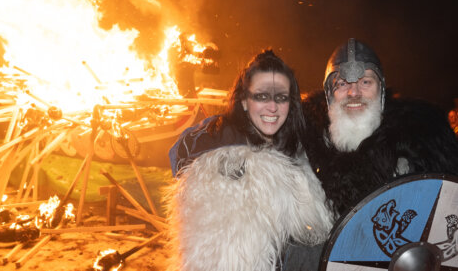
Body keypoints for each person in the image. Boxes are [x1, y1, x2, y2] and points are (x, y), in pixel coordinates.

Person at [166, 50, 334, 271]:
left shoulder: (291, 152)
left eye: (281, 97)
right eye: (261, 96)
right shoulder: (226, 160)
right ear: (244, 101)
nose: (272, 107)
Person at [300, 38, 458, 217]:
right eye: (342, 84)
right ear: (329, 94)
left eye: (365, 82)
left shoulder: (418, 143)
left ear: (381, 90)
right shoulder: (307, 154)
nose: (354, 93)